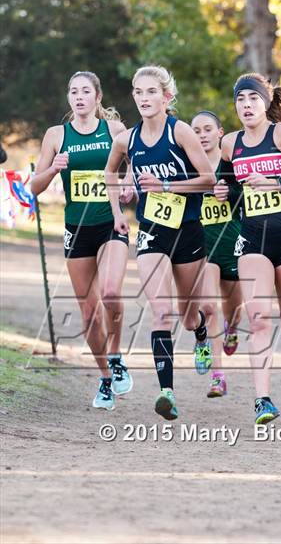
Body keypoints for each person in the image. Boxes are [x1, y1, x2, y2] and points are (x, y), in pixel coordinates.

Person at [105, 65, 215, 420]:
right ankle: (167, 391)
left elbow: (209, 179)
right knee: (161, 311)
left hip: (188, 229)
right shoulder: (127, 140)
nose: (143, 98)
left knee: (186, 314)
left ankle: (200, 333)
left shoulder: (180, 131)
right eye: (138, 92)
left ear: (166, 97)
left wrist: (166, 187)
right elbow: (110, 171)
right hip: (152, 229)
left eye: (151, 91)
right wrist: (117, 210)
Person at [214, 72, 281, 424]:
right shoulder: (230, 144)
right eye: (240, 99)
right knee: (259, 318)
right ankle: (263, 400)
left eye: (253, 98)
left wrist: (275, 183)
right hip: (252, 240)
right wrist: (223, 191)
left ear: (265, 102)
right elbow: (230, 189)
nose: (246, 105)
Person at [31, 71, 133, 411]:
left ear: (97, 97)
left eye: (85, 91)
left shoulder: (115, 131)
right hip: (77, 228)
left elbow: (138, 160)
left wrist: (130, 181)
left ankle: (116, 355)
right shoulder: (56, 135)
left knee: (112, 292)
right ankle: (105, 378)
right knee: (89, 313)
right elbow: (34, 186)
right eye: (73, 91)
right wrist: (52, 169)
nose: (78, 96)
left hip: (111, 223)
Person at [191, 111, 243, 398]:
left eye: (207, 129)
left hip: (234, 243)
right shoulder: (188, 165)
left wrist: (230, 194)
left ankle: (232, 328)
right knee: (209, 306)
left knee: (234, 309)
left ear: (220, 132)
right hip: (204, 245)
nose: (202, 134)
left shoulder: (232, 163)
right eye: (196, 130)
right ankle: (218, 376)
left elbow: (249, 196)